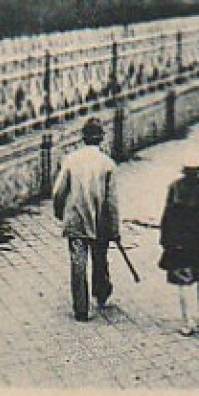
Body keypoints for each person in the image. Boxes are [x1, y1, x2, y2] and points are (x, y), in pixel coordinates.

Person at [52, 117, 121, 322]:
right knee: (100, 257)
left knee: (77, 262)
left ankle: (81, 308)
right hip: (99, 220)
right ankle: (101, 292)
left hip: (75, 218)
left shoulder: (71, 160)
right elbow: (111, 202)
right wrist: (114, 228)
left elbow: (58, 191)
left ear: (83, 138)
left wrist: (59, 212)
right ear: (101, 138)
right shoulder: (108, 164)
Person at [159, 164, 199, 337]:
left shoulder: (175, 187)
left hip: (182, 243)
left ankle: (187, 323)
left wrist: (167, 242)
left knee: (183, 283)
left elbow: (168, 217)